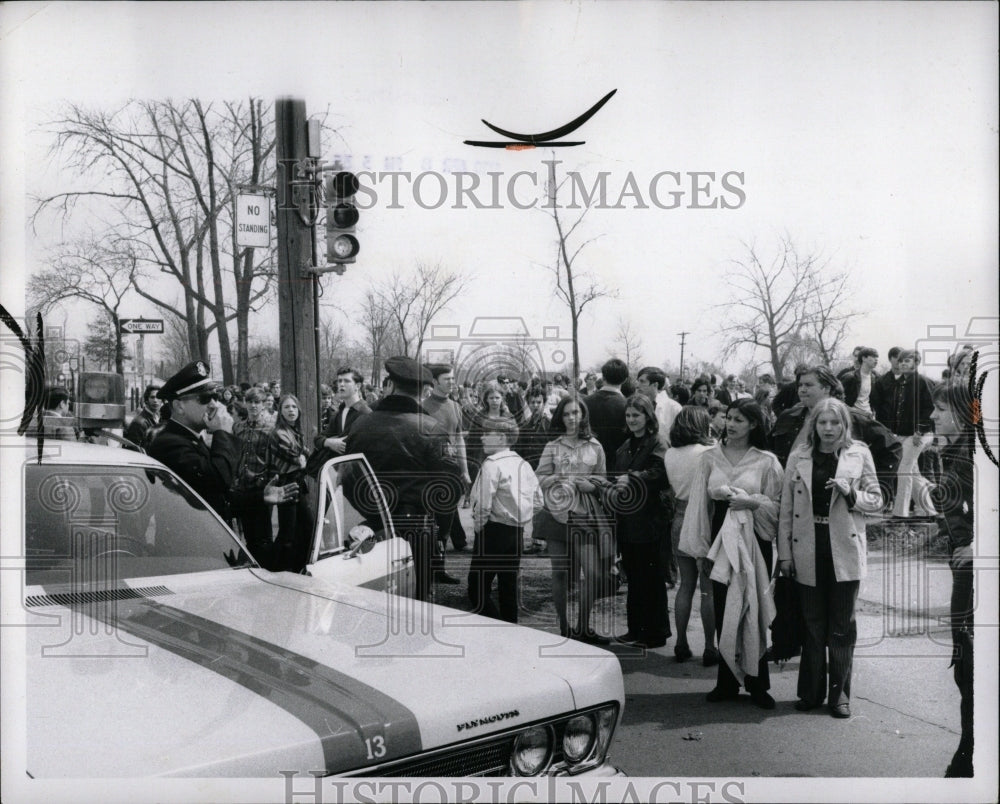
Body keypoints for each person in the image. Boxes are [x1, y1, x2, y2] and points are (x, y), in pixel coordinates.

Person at [778, 398, 883, 719]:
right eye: (822, 423)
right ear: (814, 425)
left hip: (844, 549)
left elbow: (876, 500)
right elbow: (785, 511)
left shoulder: (858, 453)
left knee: (841, 625)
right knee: (812, 624)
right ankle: (810, 693)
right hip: (806, 547)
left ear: (845, 425)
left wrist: (851, 492)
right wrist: (784, 555)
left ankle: (839, 697)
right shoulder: (799, 456)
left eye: (834, 423)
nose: (828, 429)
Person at [679, 398, 783, 709]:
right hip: (719, 541)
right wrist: (700, 548)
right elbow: (699, 504)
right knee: (725, 610)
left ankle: (757, 682)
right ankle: (726, 682)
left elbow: (778, 507)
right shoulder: (709, 458)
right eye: (729, 418)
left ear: (753, 424)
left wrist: (753, 503)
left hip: (754, 541)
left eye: (739, 419)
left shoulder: (767, 461)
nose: (731, 424)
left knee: (752, 606)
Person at [345, 356, 461, 601]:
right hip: (417, 529)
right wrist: (441, 534)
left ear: (391, 386)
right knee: (415, 603)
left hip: (370, 527)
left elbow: (348, 479)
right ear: (423, 390)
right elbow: (449, 488)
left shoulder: (361, 425)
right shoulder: (430, 428)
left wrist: (373, 513)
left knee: (372, 601)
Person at [535, 396, 610, 643]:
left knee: (593, 574)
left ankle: (583, 626)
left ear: (583, 415)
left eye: (575, 413)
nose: (571, 418)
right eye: (566, 414)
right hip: (556, 514)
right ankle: (565, 627)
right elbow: (539, 477)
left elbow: (603, 481)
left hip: (583, 515)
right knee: (560, 573)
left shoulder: (595, 446)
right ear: (561, 417)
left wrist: (592, 485)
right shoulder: (552, 446)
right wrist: (555, 478)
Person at [930, 382, 975, 776]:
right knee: (965, 663)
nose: (932, 417)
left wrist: (980, 546)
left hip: (977, 573)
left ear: (960, 413)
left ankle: (969, 759)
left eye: (939, 410)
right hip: (962, 569)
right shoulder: (954, 451)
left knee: (971, 665)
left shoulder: (976, 454)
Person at [599, 395, 670, 649]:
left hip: (650, 520)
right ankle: (635, 628)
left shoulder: (658, 443)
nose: (631, 420)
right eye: (628, 416)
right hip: (628, 520)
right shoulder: (625, 445)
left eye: (636, 415)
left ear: (647, 416)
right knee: (635, 577)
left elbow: (660, 473)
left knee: (651, 578)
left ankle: (656, 632)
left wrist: (634, 477)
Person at [769, 366, 901, 502]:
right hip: (791, 498)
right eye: (800, 385)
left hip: (836, 503)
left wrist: (870, 490)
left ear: (826, 388)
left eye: (808, 385)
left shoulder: (854, 418)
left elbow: (893, 448)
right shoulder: (788, 417)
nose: (802, 390)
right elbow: (768, 453)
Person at [467, 417, 541, 623]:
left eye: (486, 433)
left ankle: (497, 631)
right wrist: (521, 516)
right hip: (515, 532)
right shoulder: (523, 464)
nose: (481, 437)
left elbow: (483, 503)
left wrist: (480, 527)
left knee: (477, 589)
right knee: (508, 589)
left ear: (501, 438)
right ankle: (511, 630)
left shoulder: (492, 464)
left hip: (492, 531)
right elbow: (539, 501)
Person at [665, 407, 718, 665]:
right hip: (704, 516)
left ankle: (681, 642)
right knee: (707, 588)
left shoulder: (670, 453)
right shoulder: (709, 452)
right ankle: (710, 646)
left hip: (679, 515)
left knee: (685, 584)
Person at [874, 349, 937, 518]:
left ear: (916, 364)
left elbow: (930, 409)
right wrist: (892, 432)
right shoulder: (899, 383)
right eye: (901, 361)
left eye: (907, 361)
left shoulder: (922, 382)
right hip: (903, 434)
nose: (902, 364)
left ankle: (900, 514)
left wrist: (919, 430)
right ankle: (929, 511)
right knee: (912, 472)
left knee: (903, 470)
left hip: (920, 434)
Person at [422, 364, 473, 555]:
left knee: (449, 506)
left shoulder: (455, 406)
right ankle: (435, 557)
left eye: (453, 378)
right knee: (437, 513)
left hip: (451, 469)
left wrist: (465, 470)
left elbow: (459, 439)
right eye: (447, 379)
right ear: (435, 382)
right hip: (430, 469)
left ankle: (453, 544)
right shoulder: (423, 407)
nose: (452, 382)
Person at [232, 387, 277, 568]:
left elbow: (274, 459)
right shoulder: (238, 427)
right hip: (243, 486)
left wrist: (270, 481)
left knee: (263, 534)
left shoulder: (271, 428)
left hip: (262, 486)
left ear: (263, 404)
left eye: (257, 402)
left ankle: (266, 567)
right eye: (249, 401)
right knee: (248, 532)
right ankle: (251, 566)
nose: (253, 405)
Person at [266, 394, 312, 572]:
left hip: (298, 482)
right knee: (287, 533)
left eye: (294, 407)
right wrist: (304, 457)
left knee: (305, 528)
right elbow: (299, 460)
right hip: (286, 484)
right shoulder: (278, 433)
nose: (291, 410)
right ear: (280, 411)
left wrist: (305, 457)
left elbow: (306, 457)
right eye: (287, 407)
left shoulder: (295, 432)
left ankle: (297, 567)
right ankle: (277, 569)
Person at [584, 358, 629, 464]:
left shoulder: (584, 402)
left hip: (587, 462)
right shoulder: (628, 406)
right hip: (617, 464)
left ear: (603, 377)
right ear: (625, 380)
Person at [636, 366, 681, 449]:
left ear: (655, 385)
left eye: (642, 382)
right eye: (638, 381)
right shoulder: (637, 404)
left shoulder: (674, 408)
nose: (638, 386)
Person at [840, 346, 882, 417]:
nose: (876, 360)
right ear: (864, 358)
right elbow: (838, 399)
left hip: (869, 416)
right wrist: (855, 411)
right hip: (853, 417)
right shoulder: (850, 377)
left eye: (877, 357)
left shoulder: (875, 377)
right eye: (873, 357)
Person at [124, 384, 162, 450]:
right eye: (152, 397)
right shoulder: (139, 422)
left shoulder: (158, 418)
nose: (155, 400)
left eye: (158, 397)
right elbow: (133, 449)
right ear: (146, 400)